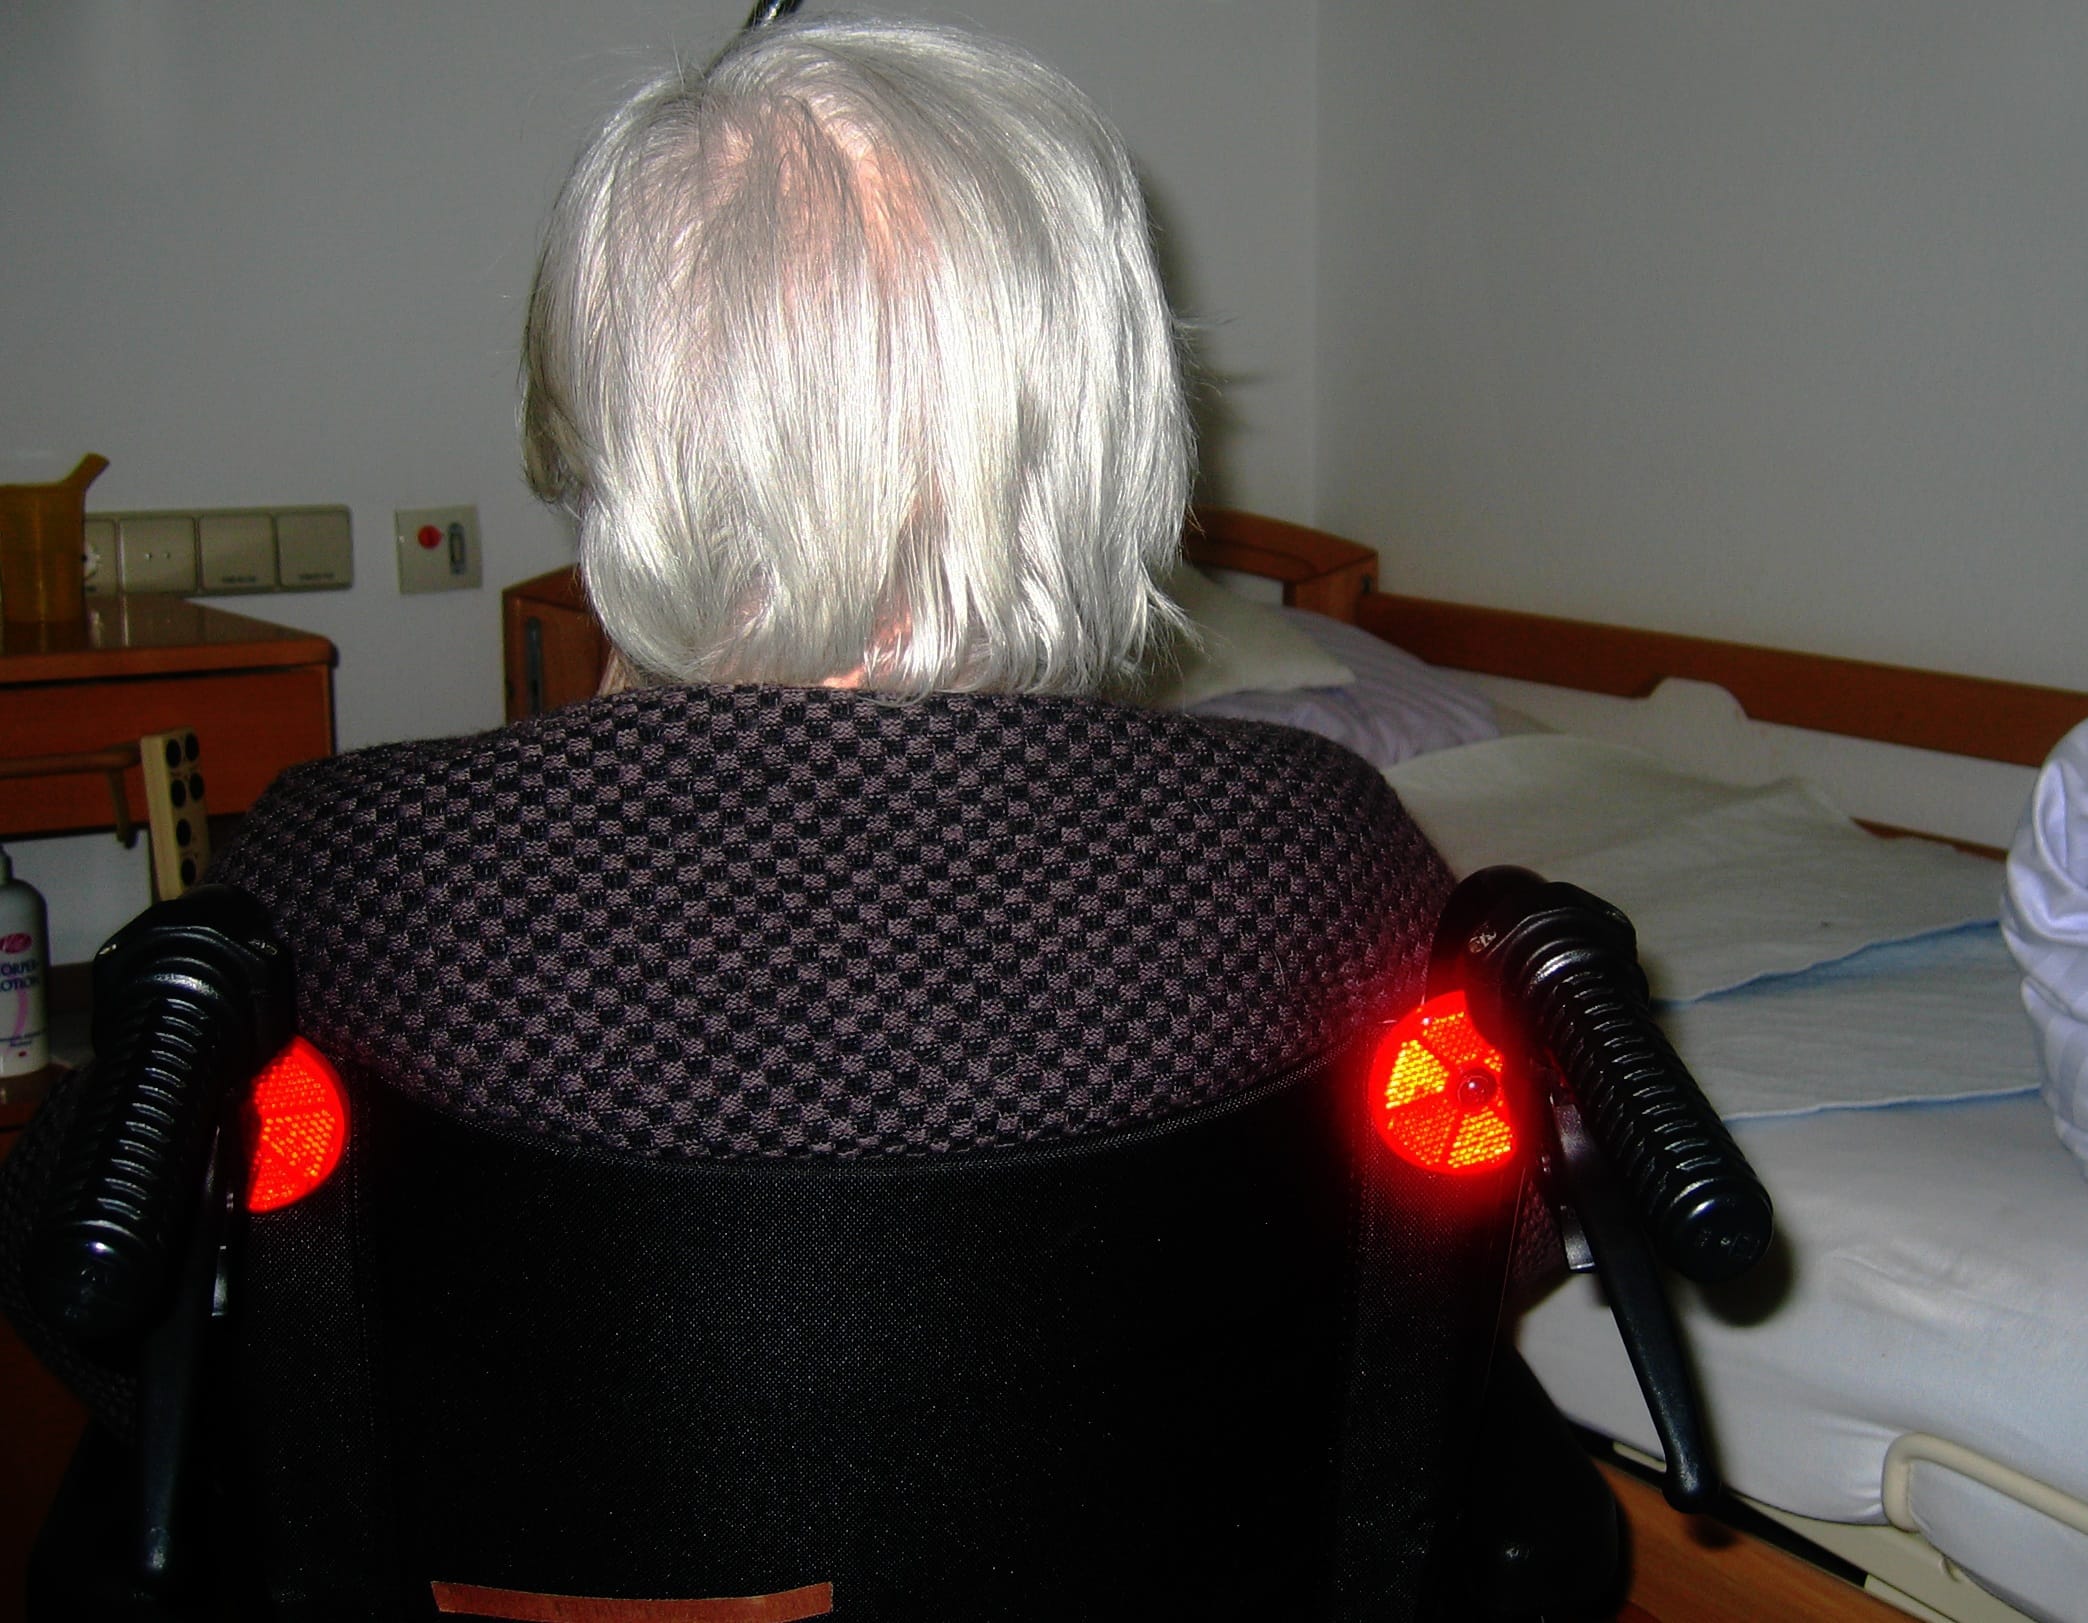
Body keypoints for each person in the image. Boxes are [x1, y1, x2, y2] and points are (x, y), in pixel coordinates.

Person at [1, 12, 1452, 1433]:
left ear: (600, 423)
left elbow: (85, 1297)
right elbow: (1445, 1287)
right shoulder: (1313, 849)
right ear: (1103, 417)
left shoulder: (353, 867)